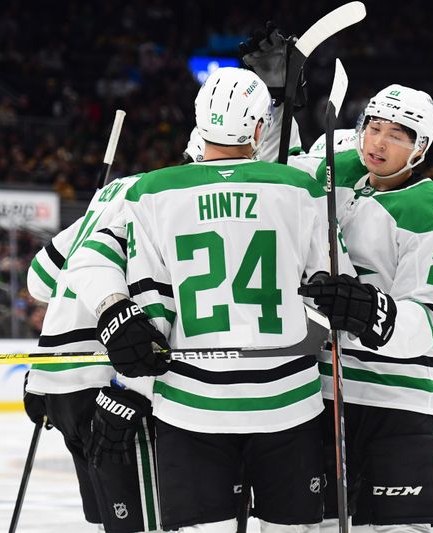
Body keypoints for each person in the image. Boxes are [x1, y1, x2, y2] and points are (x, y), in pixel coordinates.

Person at [66, 67, 341, 533]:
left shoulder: (148, 191)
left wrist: (116, 322)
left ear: (198, 120)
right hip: (290, 401)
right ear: (259, 128)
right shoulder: (301, 189)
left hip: (190, 407)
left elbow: (109, 277)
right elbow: (337, 287)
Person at [295, 85, 433, 532]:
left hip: (404, 398)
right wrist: (279, 100)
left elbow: (430, 320)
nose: (378, 143)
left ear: (421, 147)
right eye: (372, 128)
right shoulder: (342, 172)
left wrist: (371, 311)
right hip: (331, 393)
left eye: (396, 135)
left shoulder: (432, 210)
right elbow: (280, 169)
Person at [24, 170, 161, 533]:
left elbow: (37, 281)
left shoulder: (94, 210)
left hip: (54, 384)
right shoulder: (152, 195)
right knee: (145, 523)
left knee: (107, 522)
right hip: (106, 382)